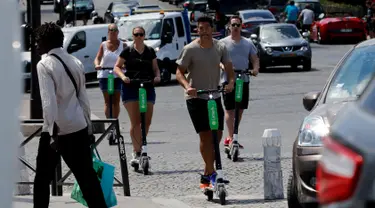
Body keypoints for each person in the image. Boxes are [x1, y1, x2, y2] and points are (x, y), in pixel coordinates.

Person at [33, 22, 106, 208]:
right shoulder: (76, 62)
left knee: (42, 179)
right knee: (87, 178)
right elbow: (83, 99)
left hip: (56, 129)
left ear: (47, 41)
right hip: (79, 126)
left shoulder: (44, 65)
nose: (36, 44)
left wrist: (51, 134)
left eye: (38, 40)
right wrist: (88, 127)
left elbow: (48, 104)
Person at [175, 16, 234, 189]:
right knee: (205, 135)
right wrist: (187, 86)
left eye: (207, 28)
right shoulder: (190, 49)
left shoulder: (220, 47)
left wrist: (230, 83)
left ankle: (207, 174)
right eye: (201, 28)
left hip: (214, 95)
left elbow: (229, 70)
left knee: (217, 135)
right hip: (196, 97)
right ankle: (212, 172)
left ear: (212, 29)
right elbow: (179, 73)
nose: (205, 31)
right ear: (197, 30)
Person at [114, 26, 161, 165]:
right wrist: (123, 77)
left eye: (141, 34)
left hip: (147, 85)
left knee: (147, 121)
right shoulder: (127, 51)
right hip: (131, 87)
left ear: (144, 36)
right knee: (135, 122)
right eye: (136, 34)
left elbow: (155, 68)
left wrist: (157, 76)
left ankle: (141, 146)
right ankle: (136, 151)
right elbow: (117, 67)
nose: (139, 37)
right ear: (133, 36)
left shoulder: (150, 51)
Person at [219, 16, 259, 149]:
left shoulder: (247, 43)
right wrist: (224, 67)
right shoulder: (222, 43)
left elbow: (254, 58)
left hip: (243, 79)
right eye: (233, 25)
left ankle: (233, 136)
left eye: (238, 25)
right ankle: (231, 138)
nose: (235, 28)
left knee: (240, 109)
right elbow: (217, 60)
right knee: (230, 109)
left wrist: (255, 69)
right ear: (229, 27)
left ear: (241, 27)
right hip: (228, 79)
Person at [94, 24, 126, 126]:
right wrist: (97, 65)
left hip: (118, 75)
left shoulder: (123, 45)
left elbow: (127, 59)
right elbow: (97, 58)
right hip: (105, 74)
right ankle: (109, 124)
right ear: (108, 32)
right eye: (110, 31)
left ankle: (115, 122)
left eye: (115, 30)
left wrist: (125, 65)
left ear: (118, 32)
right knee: (108, 101)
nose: (113, 32)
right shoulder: (103, 45)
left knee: (116, 100)